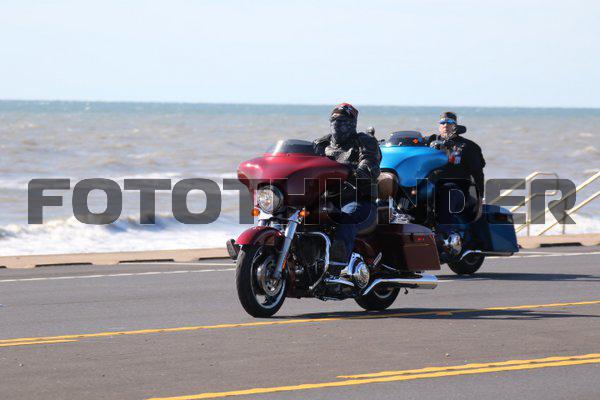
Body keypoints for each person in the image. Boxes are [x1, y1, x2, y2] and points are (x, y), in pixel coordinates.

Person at [313, 103, 381, 264]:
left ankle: (337, 266)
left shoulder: (365, 142)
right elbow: (304, 163)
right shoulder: (321, 144)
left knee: (346, 218)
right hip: (325, 199)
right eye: (334, 120)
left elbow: (370, 163)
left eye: (343, 121)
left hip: (358, 199)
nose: (337, 124)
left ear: (353, 123)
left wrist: (358, 171)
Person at [426, 111, 486, 225]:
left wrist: (480, 197)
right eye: (442, 122)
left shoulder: (468, 146)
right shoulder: (429, 142)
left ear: (456, 126)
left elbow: (478, 174)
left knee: (448, 190)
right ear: (439, 126)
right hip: (432, 184)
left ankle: (445, 230)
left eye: (449, 122)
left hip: (457, 188)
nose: (445, 125)